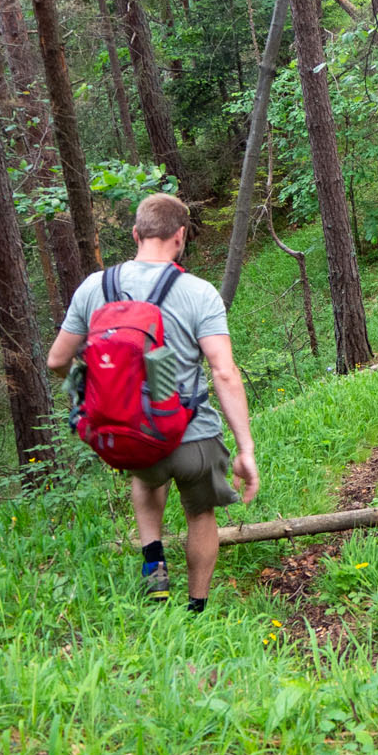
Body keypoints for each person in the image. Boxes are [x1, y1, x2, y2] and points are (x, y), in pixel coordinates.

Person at [47, 193, 259, 611]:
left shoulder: (96, 287)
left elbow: (57, 360)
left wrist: (86, 388)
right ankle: (196, 607)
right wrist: (245, 447)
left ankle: (154, 565)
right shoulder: (198, 292)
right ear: (180, 237)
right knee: (200, 514)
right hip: (192, 435)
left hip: (131, 437)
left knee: (146, 479)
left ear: (135, 234)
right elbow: (224, 371)